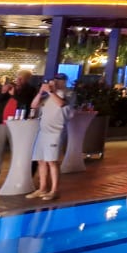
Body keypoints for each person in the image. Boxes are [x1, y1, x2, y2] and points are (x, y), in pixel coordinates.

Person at [26, 73, 73, 201]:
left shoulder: (67, 94)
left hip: (55, 133)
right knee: (41, 160)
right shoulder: (46, 96)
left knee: (52, 161)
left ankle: (54, 190)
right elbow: (33, 105)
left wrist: (51, 91)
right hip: (43, 132)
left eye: (59, 80)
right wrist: (41, 92)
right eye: (54, 80)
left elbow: (61, 104)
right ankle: (42, 188)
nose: (56, 83)